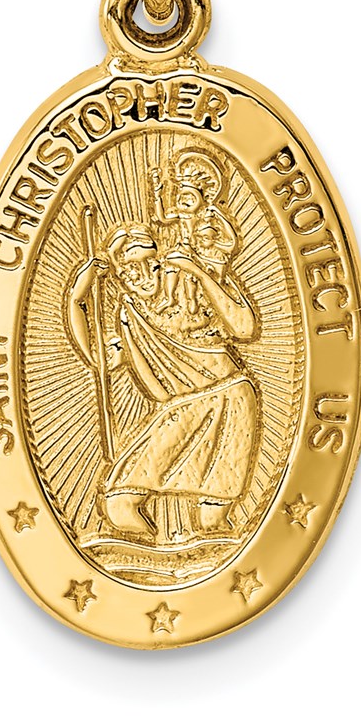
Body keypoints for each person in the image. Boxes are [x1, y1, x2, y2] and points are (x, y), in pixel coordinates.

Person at [66, 222, 258, 539]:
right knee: (118, 505)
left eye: (147, 263)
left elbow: (245, 328)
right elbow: (101, 363)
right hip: (182, 409)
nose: (140, 274)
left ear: (159, 261)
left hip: (229, 398)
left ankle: (200, 558)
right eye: (128, 269)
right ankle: (152, 556)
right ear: (120, 275)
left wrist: (199, 271)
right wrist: (78, 295)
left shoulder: (191, 283)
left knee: (211, 519)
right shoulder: (130, 313)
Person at [151, 150, 239, 314]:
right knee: (171, 265)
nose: (184, 201)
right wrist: (157, 196)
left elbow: (231, 242)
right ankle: (169, 298)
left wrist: (219, 217)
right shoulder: (180, 214)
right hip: (183, 248)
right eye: (181, 196)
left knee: (191, 275)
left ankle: (194, 301)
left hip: (201, 252)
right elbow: (162, 218)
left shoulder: (207, 216)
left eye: (190, 197)